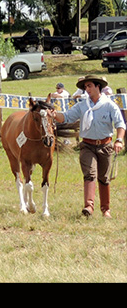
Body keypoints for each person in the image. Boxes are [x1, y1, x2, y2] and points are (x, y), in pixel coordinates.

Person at [53, 75, 125, 218]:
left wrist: (119, 140)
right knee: (90, 174)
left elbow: (120, 124)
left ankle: (106, 210)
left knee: (104, 178)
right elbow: (66, 117)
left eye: (89, 86)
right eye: (85, 87)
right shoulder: (81, 105)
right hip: (87, 145)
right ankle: (88, 207)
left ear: (98, 87)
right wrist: (54, 115)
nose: (87, 89)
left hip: (105, 145)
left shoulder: (110, 105)